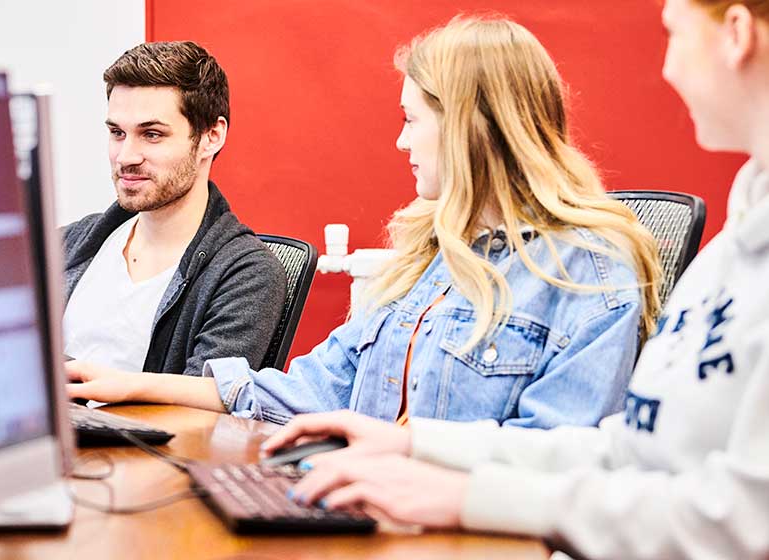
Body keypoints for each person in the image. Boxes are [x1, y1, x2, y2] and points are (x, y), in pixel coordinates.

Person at [265, 3, 769, 558]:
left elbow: (742, 517)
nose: (667, 69)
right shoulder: (732, 249)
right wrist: (416, 444)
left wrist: (467, 495)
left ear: (738, 34)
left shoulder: (600, 267)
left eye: (672, 32)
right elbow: (626, 452)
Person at [66, 18, 663, 431]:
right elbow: (305, 388)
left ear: (471, 125)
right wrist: (133, 385)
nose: (401, 140)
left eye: (411, 119)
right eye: (116, 132)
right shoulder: (432, 262)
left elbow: (556, 460)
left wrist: (391, 454)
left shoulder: (591, 272)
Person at [61, 41, 286, 377]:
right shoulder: (69, 242)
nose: (126, 157)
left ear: (211, 136)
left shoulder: (246, 274)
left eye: (151, 134)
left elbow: (203, 402)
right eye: (117, 133)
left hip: (134, 430)